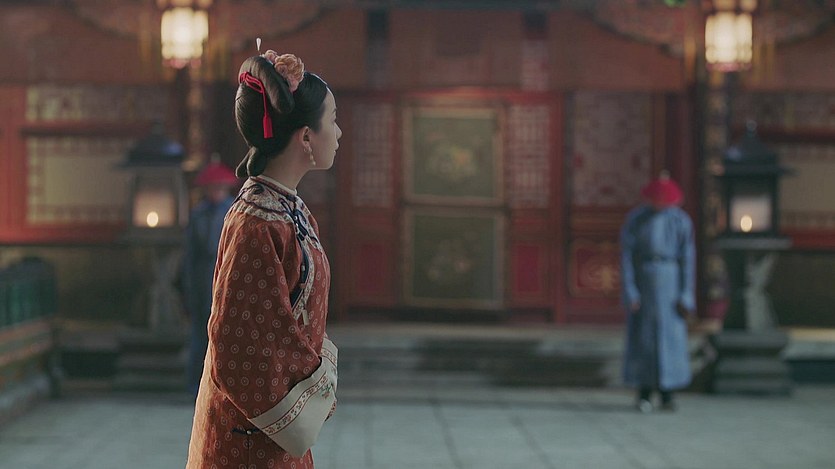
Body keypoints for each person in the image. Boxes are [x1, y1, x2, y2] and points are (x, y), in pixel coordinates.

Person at [186, 47, 342, 468]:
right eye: (332, 120)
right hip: (250, 437)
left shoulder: (287, 208)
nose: (339, 132)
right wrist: (319, 376)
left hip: (275, 430)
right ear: (305, 137)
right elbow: (240, 345)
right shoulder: (257, 224)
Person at [620, 171, 695, 413]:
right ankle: (644, 393)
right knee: (644, 340)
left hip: (671, 281)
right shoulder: (636, 219)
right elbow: (626, 257)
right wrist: (630, 291)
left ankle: (668, 394)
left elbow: (688, 259)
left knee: (671, 340)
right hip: (645, 279)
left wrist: (686, 295)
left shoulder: (680, 221)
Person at [182, 160, 238, 397]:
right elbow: (190, 254)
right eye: (212, 188)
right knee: (200, 333)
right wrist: (188, 287)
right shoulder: (198, 214)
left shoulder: (234, 210)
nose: (216, 192)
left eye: (220, 188)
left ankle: (225, 385)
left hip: (227, 273)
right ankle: (195, 383)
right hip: (202, 277)